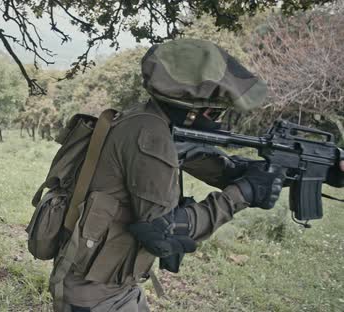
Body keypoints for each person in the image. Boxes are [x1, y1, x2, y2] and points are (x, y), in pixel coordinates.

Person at [47, 38, 300, 311]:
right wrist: (243, 193)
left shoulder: (147, 119)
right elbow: (164, 232)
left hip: (107, 282)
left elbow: (203, 159)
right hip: (95, 293)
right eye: (215, 112)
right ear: (193, 111)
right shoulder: (149, 136)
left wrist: (273, 171)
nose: (217, 120)